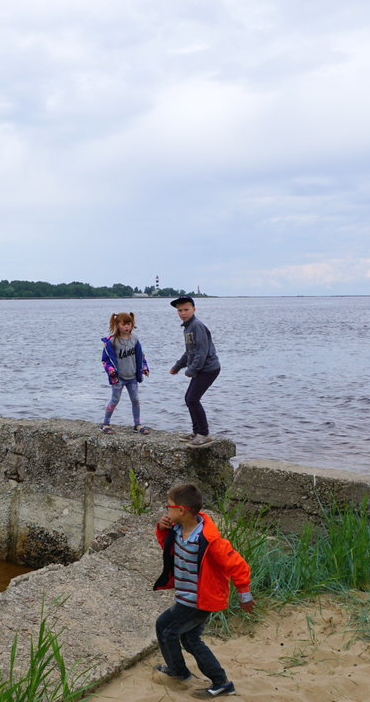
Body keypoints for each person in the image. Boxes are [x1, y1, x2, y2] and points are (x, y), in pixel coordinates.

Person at [152, 483, 254, 698]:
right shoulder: (178, 529)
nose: (166, 510)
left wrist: (245, 594)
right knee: (190, 639)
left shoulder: (210, 540)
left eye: (168, 506)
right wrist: (162, 529)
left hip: (198, 600)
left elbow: (238, 565)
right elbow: (169, 548)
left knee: (166, 628)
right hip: (187, 596)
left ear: (181, 510)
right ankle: (214, 680)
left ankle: (184, 673)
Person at [168, 297, 220, 446]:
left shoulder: (197, 325)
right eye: (180, 310)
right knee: (189, 398)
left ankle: (204, 434)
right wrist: (177, 367)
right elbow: (189, 352)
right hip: (201, 368)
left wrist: (191, 370)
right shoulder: (188, 327)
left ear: (194, 309)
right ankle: (196, 432)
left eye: (186, 310)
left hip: (209, 368)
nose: (183, 313)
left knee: (192, 399)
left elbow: (202, 352)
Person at [99, 311, 150, 434]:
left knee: (135, 400)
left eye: (129, 324)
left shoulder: (135, 339)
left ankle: (137, 425)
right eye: (124, 324)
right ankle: (105, 423)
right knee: (115, 400)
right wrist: (110, 370)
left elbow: (140, 355)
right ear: (117, 325)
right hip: (118, 378)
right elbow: (106, 359)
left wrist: (144, 367)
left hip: (132, 376)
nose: (127, 327)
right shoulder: (112, 342)